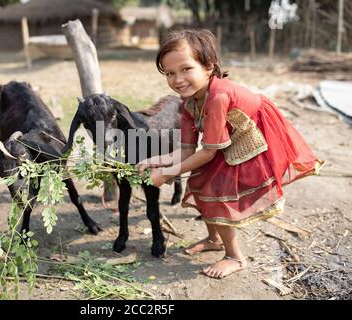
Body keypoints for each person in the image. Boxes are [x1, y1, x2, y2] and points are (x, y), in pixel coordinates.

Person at [137, 29, 323, 279]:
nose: (177, 79)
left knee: (218, 192)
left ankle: (235, 256)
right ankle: (214, 239)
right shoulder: (189, 101)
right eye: (170, 73)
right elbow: (187, 150)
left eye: (186, 69)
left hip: (251, 136)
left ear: (208, 67)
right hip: (225, 139)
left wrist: (167, 173)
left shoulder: (217, 97)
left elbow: (208, 154)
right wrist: (156, 161)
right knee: (200, 181)